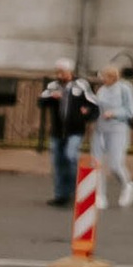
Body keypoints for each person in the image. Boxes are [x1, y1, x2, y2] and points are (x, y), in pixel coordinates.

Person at [94, 60, 133, 207]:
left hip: (117, 129)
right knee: (96, 163)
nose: (102, 79)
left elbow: (132, 109)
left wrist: (114, 113)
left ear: (113, 76)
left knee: (115, 164)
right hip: (100, 129)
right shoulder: (102, 90)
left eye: (105, 76)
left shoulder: (125, 88)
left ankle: (127, 185)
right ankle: (100, 195)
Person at [37, 61, 80, 207]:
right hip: (57, 131)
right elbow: (41, 101)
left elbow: (89, 105)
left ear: (70, 72)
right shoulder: (52, 86)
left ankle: (76, 189)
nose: (60, 75)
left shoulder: (80, 86)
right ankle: (61, 194)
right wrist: (50, 98)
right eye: (58, 72)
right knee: (58, 163)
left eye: (63, 72)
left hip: (74, 130)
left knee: (70, 156)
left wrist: (83, 114)